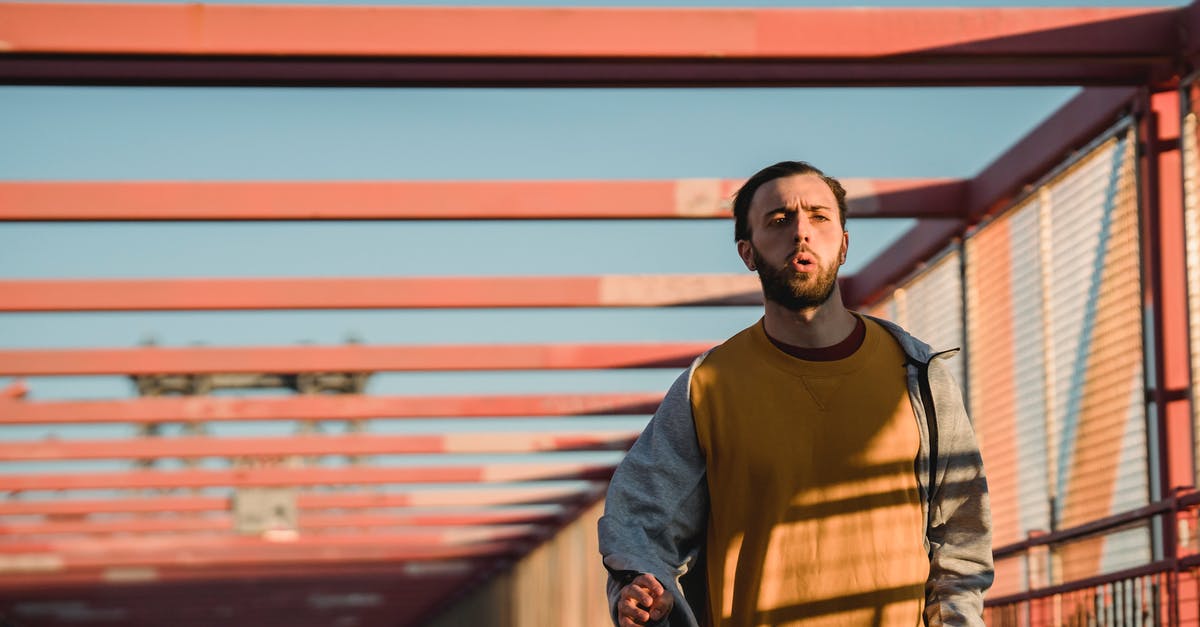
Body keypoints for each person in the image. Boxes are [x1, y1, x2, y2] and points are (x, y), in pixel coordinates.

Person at [598, 161, 993, 627]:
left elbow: (960, 542)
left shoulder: (919, 376)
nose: (802, 232)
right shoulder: (707, 386)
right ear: (748, 252)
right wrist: (642, 585)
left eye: (820, 217)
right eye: (780, 220)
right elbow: (640, 520)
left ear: (843, 244)